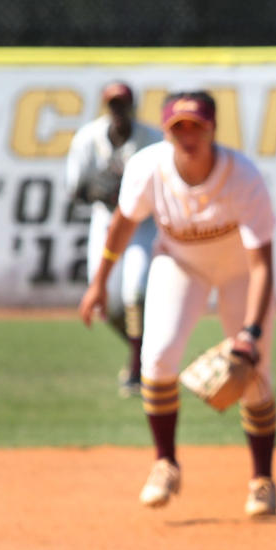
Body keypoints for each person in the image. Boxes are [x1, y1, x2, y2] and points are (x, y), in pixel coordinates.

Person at [77, 91, 276, 517]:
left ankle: (261, 480)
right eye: (178, 128)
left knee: (253, 371)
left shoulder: (242, 175)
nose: (188, 136)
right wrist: (99, 284)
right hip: (180, 264)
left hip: (240, 271)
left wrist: (251, 334)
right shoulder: (149, 167)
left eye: (196, 127)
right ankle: (164, 463)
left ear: (212, 130)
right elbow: (121, 225)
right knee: (157, 360)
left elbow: (262, 265)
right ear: (167, 133)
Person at [66, 81, 162, 397]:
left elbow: (164, 185)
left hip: (142, 221)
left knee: (135, 291)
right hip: (106, 219)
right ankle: (148, 348)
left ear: (132, 106)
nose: (118, 111)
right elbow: (75, 190)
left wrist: (128, 188)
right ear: (106, 108)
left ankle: (137, 368)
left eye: (123, 104)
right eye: (113, 104)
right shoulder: (88, 139)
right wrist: (100, 188)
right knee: (105, 300)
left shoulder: (152, 139)